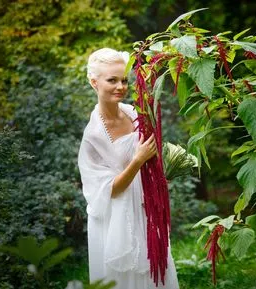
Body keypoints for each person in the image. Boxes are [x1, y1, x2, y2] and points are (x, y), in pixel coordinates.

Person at [78, 48, 179, 289]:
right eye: (112, 80)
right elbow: (108, 191)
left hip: (143, 207)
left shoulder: (133, 113)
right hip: (114, 221)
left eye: (124, 80)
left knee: (154, 270)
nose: (121, 86)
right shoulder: (93, 136)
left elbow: (151, 153)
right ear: (94, 82)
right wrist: (138, 160)